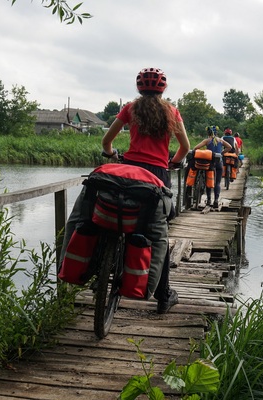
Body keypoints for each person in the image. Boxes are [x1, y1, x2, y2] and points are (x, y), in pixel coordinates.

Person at [61, 67, 190, 314]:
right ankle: (163, 296)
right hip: (157, 177)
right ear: (163, 88)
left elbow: (106, 141)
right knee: (157, 232)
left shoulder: (130, 108)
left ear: (139, 87)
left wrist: (111, 155)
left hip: (127, 172)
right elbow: (185, 147)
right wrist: (172, 161)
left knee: (108, 214)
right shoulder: (172, 112)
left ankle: (96, 267)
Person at [193, 126, 232, 209]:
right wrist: (221, 153)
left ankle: (209, 200)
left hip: (210, 164)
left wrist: (204, 152)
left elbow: (195, 148)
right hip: (219, 163)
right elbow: (230, 147)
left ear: (208, 133)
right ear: (216, 133)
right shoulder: (220, 140)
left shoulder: (207, 140)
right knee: (217, 182)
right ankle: (216, 201)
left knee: (209, 181)